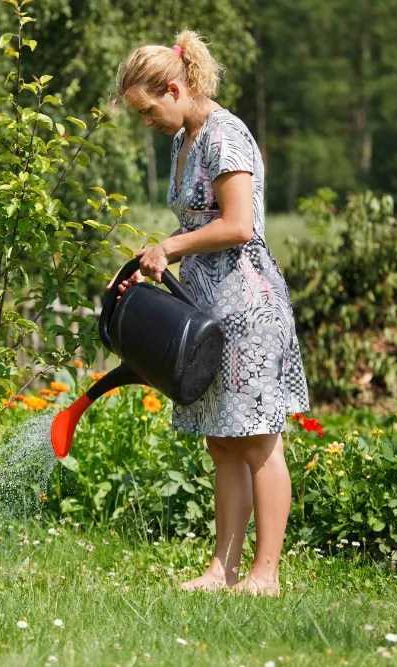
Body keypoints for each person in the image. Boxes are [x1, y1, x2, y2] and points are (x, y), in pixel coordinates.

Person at [114, 30, 310, 596]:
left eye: (149, 111)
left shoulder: (225, 136)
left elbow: (237, 225)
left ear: (174, 88)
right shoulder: (185, 140)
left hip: (247, 306)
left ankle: (265, 574)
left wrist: (170, 248)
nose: (147, 123)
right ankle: (222, 570)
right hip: (206, 308)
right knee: (222, 441)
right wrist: (142, 262)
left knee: (256, 440)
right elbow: (197, 222)